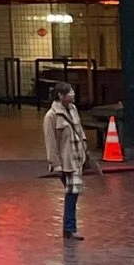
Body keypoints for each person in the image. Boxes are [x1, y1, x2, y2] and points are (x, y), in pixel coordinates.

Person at [42, 82, 88, 239]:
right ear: (61, 96)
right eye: (70, 92)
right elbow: (51, 142)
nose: (73, 95)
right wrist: (56, 164)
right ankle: (69, 228)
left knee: (73, 193)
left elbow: (80, 131)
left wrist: (85, 151)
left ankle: (69, 228)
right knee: (72, 192)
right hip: (66, 161)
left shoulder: (73, 110)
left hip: (77, 157)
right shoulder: (51, 116)